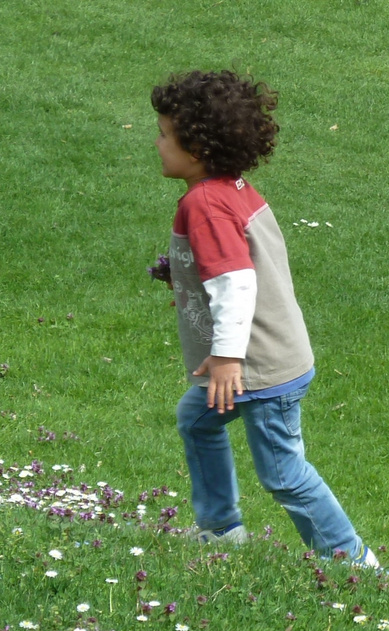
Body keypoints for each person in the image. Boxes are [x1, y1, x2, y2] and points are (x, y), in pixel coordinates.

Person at [151, 69, 377, 566]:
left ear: (196, 147)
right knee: (196, 421)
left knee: (283, 472)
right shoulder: (229, 190)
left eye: (164, 133)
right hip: (258, 362)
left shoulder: (205, 204)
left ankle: (353, 563)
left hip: (257, 369)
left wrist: (228, 356)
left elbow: (235, 281)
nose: (157, 142)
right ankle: (220, 530)